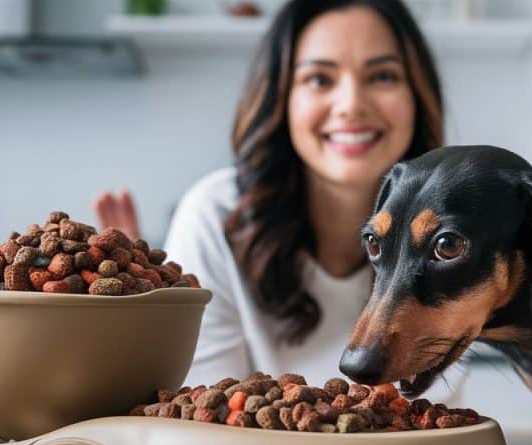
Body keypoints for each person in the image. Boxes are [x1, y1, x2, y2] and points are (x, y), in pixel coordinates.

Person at [96, 0, 445, 387]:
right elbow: (204, 414)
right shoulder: (216, 217)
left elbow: (427, 421)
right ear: (281, 98)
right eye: (319, 79)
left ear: (418, 94)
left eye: (382, 76)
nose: (350, 105)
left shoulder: (449, 238)